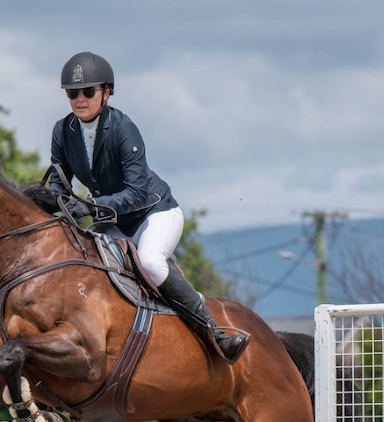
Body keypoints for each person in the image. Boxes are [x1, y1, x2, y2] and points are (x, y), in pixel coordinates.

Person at [48, 51, 250, 364]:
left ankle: (215, 334)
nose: (80, 99)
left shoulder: (122, 128)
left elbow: (137, 193)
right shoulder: (63, 131)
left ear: (107, 92)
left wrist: (89, 206)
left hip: (153, 214)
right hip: (112, 221)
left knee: (152, 263)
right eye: (73, 93)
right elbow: (58, 185)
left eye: (88, 91)